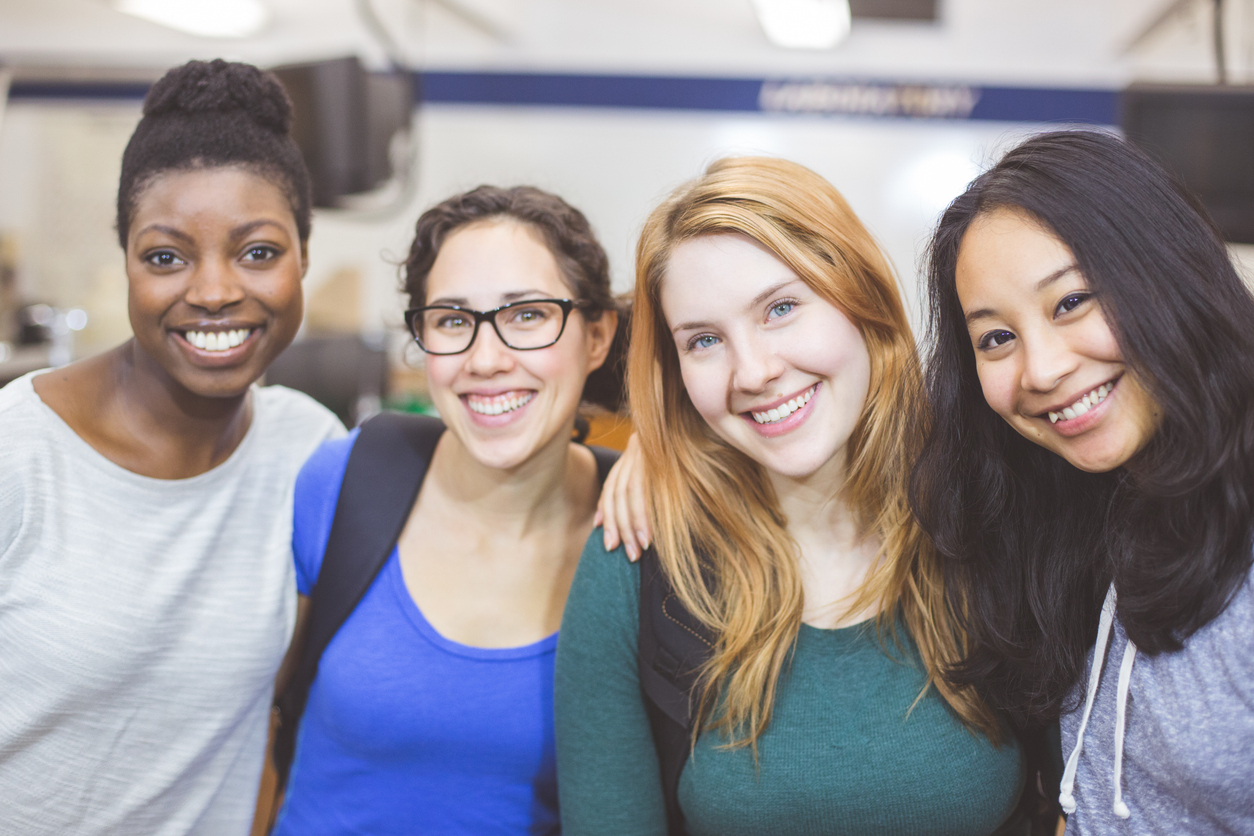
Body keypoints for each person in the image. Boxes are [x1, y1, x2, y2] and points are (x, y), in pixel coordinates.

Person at [555, 157, 1025, 836]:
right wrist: (656, 445)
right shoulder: (639, 559)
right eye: (705, 340)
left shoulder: (993, 518)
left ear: (859, 296)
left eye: (781, 308)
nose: (753, 372)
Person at [0, 60, 343, 835]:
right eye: (166, 256)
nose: (215, 290)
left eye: (258, 251)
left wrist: (614, 475)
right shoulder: (18, 456)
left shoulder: (310, 451)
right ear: (124, 258)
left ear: (304, 257)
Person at [910, 130, 1254, 834]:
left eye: (1071, 303)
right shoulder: (1079, 507)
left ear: (1167, 271)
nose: (1040, 370)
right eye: (995, 337)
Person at [272, 185, 621, 835]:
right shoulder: (344, 483)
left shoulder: (638, 535)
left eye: (527, 315)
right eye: (453, 321)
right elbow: (236, 719)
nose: (485, 360)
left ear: (596, 336)